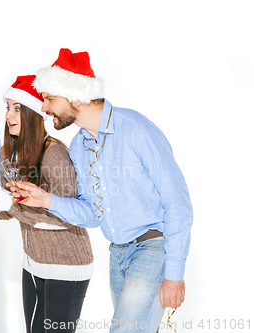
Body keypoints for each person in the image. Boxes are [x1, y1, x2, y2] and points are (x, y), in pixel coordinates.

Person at [11, 49, 193, 332]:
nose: (44, 108)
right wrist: (46, 199)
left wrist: (175, 274)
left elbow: (178, 203)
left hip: (152, 249)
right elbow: (93, 215)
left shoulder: (135, 129)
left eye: (49, 99)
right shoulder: (80, 148)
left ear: (76, 96)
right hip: (117, 254)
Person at [0, 75, 94, 333]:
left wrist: (7, 202)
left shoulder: (54, 154)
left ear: (33, 112)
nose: (9, 114)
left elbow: (66, 217)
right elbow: (11, 213)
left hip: (67, 265)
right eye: (7, 107)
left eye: (17, 108)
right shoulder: (8, 153)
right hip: (32, 261)